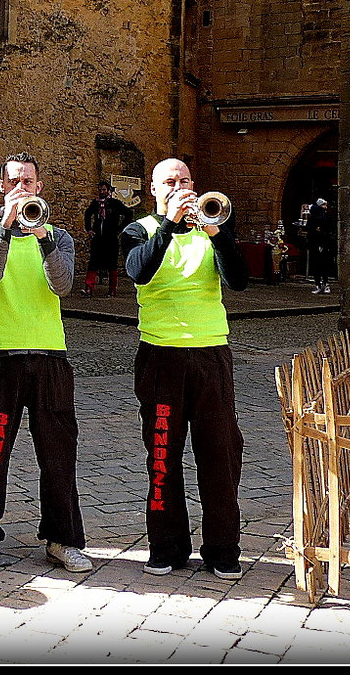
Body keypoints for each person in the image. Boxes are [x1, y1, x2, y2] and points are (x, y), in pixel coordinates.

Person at [0, 153, 92, 575]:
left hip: (51, 357)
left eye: (29, 181)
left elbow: (63, 285)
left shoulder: (59, 236)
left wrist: (40, 237)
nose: (22, 187)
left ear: (39, 186)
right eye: (14, 181)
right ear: (2, 188)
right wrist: (7, 226)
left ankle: (62, 539)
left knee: (57, 455)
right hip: (0, 358)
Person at [119, 157, 250, 580]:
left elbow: (239, 280)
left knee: (220, 453)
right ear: (154, 190)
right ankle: (167, 545)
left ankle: (223, 548)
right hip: (161, 355)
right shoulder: (138, 230)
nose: (180, 187)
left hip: (211, 353)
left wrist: (215, 231)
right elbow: (139, 271)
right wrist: (171, 225)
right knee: (162, 454)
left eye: (186, 180)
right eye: (170, 182)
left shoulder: (212, 228)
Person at [81, 181, 130, 297]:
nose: (102, 192)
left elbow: (128, 214)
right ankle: (89, 288)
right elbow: (87, 214)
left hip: (111, 238)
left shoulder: (115, 203)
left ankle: (112, 290)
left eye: (104, 190)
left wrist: (119, 229)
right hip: (97, 237)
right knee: (93, 262)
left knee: (112, 264)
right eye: (100, 190)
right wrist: (89, 229)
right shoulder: (95, 203)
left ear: (108, 191)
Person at [308, 198, 336, 294]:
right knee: (317, 265)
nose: (325, 207)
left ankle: (325, 283)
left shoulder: (326, 216)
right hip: (317, 243)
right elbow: (311, 229)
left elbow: (329, 229)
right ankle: (319, 284)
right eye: (324, 205)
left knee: (324, 264)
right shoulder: (315, 216)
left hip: (324, 243)